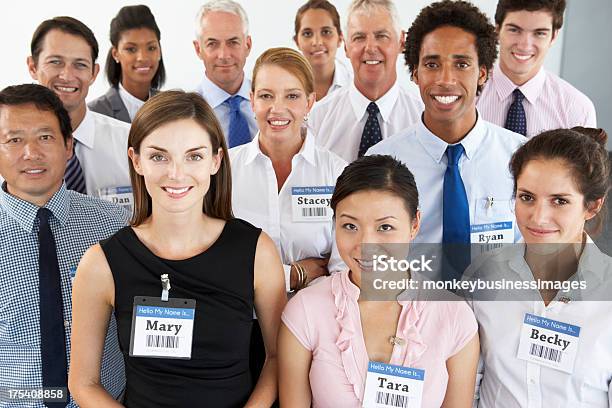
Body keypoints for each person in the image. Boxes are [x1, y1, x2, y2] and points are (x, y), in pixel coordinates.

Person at [68, 90, 286, 407]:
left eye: (193, 156)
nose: (176, 173)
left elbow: (277, 357)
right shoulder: (101, 264)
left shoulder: (257, 251)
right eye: (159, 156)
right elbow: (83, 382)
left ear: (215, 161)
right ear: (136, 160)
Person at [279, 155, 479, 407]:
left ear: (414, 224)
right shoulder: (306, 310)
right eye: (350, 226)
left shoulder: (454, 316)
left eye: (385, 228)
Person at [368, 1, 525, 266]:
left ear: (482, 74)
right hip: (409, 304)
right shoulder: (380, 160)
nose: (445, 79)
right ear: (415, 73)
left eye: (462, 64)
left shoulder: (521, 157)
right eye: (432, 64)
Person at [465, 128, 612, 406]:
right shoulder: (483, 275)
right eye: (527, 197)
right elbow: (468, 386)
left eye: (560, 201)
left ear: (591, 207)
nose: (538, 217)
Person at [0, 84, 126, 407]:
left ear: (69, 145)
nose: (31, 153)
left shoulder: (115, 225)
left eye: (45, 137)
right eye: (14, 140)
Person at [229, 47, 347, 384]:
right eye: (266, 95)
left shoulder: (336, 173)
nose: (277, 109)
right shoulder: (224, 172)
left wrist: (259, 277)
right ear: (251, 100)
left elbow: (343, 270)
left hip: (316, 333)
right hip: (238, 332)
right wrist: (297, 274)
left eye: (292, 96)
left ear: (310, 102)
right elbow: (215, 266)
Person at [27, 17, 131, 208]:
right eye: (56, 62)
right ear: (33, 67)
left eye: (80, 64)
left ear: (94, 73)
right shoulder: (10, 151)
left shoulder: (130, 142)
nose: (67, 76)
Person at [307, 0, 422, 162]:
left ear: (401, 42)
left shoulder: (423, 118)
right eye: (359, 37)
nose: (370, 47)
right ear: (346, 46)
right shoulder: (317, 120)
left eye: (381, 36)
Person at [477, 0, 596, 137]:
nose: (524, 45)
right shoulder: (468, 94)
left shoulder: (577, 108)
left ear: (553, 36)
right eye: (514, 30)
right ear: (497, 30)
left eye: (539, 33)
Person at [193, 0, 257, 148]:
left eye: (233, 42)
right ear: (198, 49)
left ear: (247, 45)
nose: (224, 55)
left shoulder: (272, 104)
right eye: (212, 44)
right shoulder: (184, 114)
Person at [89, 5, 166, 123]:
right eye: (131, 49)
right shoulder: (95, 113)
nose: (142, 57)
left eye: (151, 48)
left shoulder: (171, 108)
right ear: (115, 54)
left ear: (159, 51)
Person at [293, 0, 352, 101]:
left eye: (326, 32)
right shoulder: (286, 86)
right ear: (297, 41)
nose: (317, 42)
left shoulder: (356, 86)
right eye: (307, 34)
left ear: (340, 38)